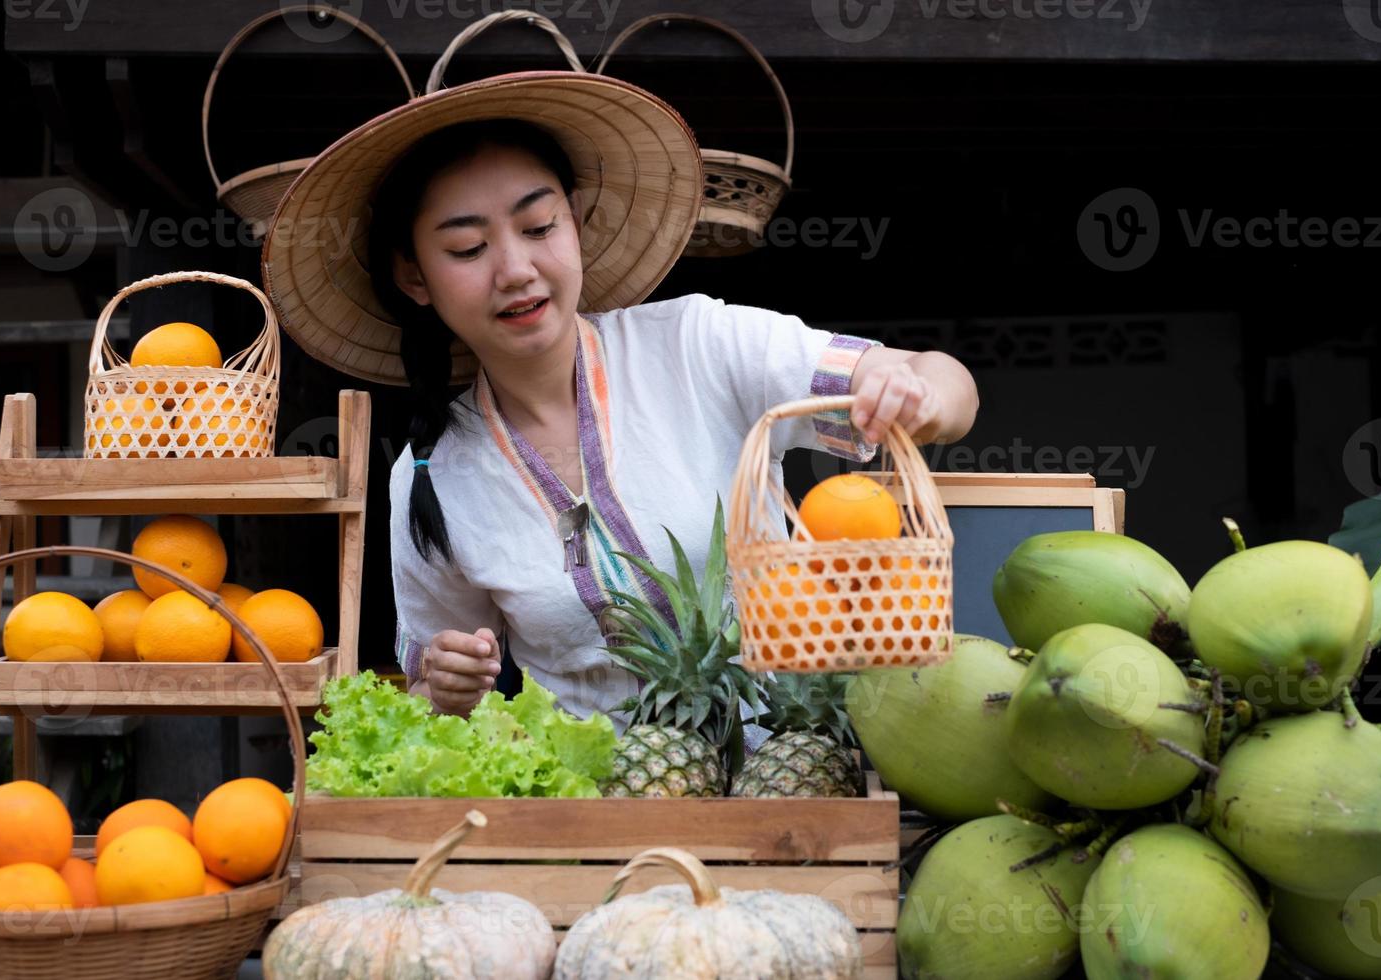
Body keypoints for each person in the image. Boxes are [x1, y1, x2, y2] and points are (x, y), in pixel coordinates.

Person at [262, 72, 978, 725]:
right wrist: (447, 684)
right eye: (467, 250)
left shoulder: (696, 345)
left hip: (788, 767)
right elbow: (432, 689)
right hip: (596, 814)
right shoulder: (429, 474)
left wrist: (918, 393)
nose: (516, 270)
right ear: (414, 277)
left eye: (539, 227)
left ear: (575, 223)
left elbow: (943, 377)